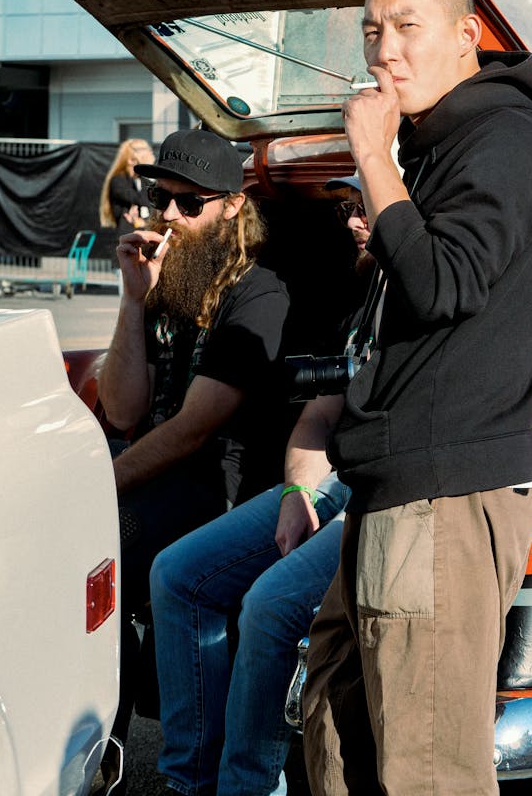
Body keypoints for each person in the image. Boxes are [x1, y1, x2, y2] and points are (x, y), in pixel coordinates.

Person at [302, 0, 532, 796]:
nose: (386, 52)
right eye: (373, 31)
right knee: (339, 730)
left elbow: (446, 282)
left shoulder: (503, 136)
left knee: (426, 769)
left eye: (408, 27)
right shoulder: (439, 145)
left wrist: (375, 163)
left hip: (443, 493)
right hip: (398, 484)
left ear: (466, 36)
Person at [148, 176, 376, 796]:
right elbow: (319, 416)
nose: (352, 222)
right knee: (176, 574)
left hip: (396, 489)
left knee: (270, 606)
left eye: (364, 207)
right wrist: (296, 494)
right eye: (348, 208)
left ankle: (246, 787)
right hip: (334, 481)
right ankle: (188, 781)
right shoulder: (367, 296)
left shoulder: (432, 287)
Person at [97, 126, 291, 747]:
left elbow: (192, 431)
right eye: (163, 201)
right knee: (82, 563)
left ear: (233, 207)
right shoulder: (165, 280)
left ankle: (165, 760)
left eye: (190, 203)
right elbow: (123, 408)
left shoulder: (259, 292)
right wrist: (133, 300)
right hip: (158, 474)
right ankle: (106, 752)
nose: (171, 217)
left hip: (222, 488)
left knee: (100, 540)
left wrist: (96, 485)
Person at [99, 137, 156, 234]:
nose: (150, 153)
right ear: (130, 160)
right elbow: (143, 200)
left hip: (143, 233)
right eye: (144, 150)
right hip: (125, 236)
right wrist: (147, 169)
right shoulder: (118, 181)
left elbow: (155, 204)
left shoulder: (143, 181)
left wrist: (144, 222)